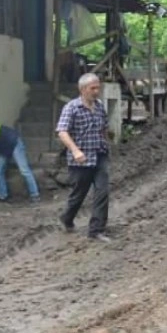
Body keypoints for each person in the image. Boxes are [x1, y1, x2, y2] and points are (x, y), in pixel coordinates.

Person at [56, 73, 111, 242]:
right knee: (79, 194)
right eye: (92, 88)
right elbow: (62, 132)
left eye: (98, 87)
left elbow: (104, 128)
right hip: (81, 159)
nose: (96, 91)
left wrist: (106, 143)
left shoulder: (100, 106)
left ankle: (96, 230)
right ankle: (66, 218)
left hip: (99, 154)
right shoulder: (72, 108)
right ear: (82, 89)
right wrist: (75, 150)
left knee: (103, 191)